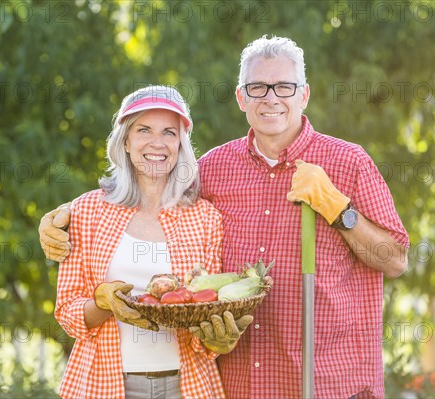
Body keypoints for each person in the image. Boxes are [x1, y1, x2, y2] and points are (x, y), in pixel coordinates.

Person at [41, 36, 409, 399]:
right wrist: (68, 214)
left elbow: (394, 260)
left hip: (325, 382)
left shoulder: (349, 162)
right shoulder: (214, 169)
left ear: (304, 95)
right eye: (258, 88)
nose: (271, 98)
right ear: (241, 97)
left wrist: (339, 209)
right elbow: (152, 190)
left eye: (284, 86)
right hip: (242, 381)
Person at [52, 85, 251, 399]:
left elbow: (209, 309)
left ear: (180, 144)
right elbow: (67, 313)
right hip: (102, 385)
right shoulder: (87, 211)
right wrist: (104, 304)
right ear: (126, 141)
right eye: (144, 130)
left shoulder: (204, 218)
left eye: (169, 133)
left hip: (188, 386)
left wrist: (216, 339)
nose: (157, 143)